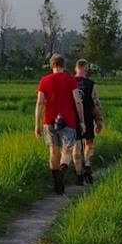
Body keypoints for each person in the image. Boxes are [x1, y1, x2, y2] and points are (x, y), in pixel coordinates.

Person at [33, 52, 82, 194]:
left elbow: (40, 102)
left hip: (49, 120)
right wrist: (82, 120)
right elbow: (77, 101)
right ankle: (63, 169)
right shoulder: (71, 80)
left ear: (51, 65)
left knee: (53, 151)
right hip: (69, 119)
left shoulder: (44, 81)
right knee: (67, 150)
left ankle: (57, 184)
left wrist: (37, 124)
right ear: (64, 65)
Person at [74, 58, 104, 183]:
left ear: (76, 68)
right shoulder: (91, 84)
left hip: (74, 119)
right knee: (89, 144)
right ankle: (87, 164)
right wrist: (99, 121)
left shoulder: (70, 82)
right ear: (86, 69)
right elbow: (96, 104)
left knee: (76, 147)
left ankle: (79, 174)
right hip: (87, 118)